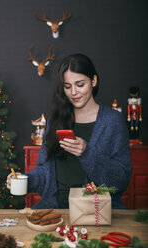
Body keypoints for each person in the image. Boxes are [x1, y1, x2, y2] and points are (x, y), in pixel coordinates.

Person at [7, 53, 132, 209]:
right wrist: (23, 180)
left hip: (95, 211)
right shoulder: (55, 118)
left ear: (93, 81)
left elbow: (121, 179)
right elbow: (45, 172)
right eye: (67, 86)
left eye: (80, 84)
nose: (73, 92)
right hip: (54, 208)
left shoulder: (112, 121)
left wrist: (86, 153)